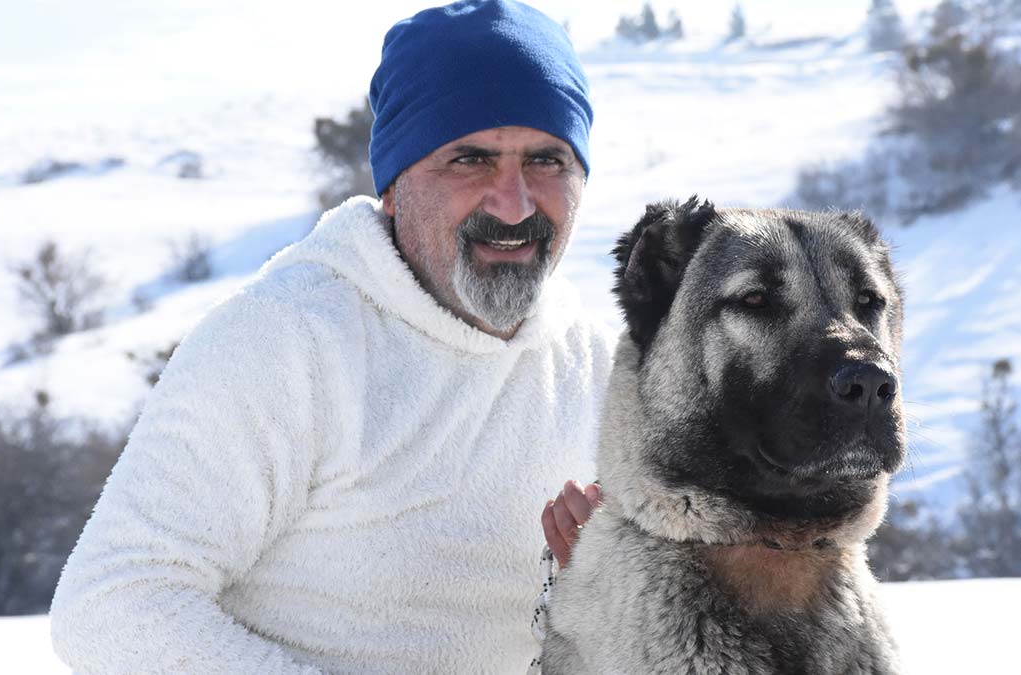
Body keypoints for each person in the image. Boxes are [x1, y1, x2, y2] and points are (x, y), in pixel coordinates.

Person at [49, 1, 609, 672]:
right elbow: (112, 603)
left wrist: (613, 605)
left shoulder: (599, 368)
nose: (514, 203)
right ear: (396, 187)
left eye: (547, 160)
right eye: (470, 160)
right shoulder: (288, 341)